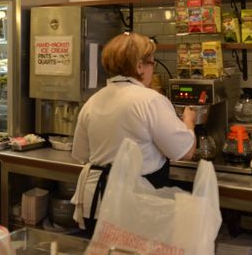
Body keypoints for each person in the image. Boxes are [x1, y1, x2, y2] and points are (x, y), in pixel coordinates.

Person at [70, 32, 197, 234]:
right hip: (137, 204)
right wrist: (189, 122)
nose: (152, 69)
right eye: (151, 63)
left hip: (98, 203)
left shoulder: (93, 101)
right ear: (139, 66)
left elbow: (81, 155)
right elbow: (185, 152)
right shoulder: (150, 100)